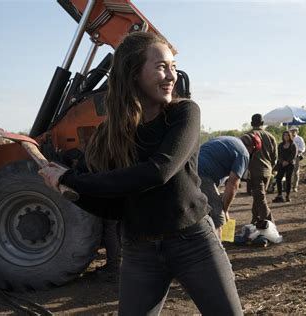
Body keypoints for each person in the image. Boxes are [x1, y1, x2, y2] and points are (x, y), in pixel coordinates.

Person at [38, 32, 242, 315]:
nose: (171, 75)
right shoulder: (110, 135)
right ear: (133, 74)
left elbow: (159, 171)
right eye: (161, 67)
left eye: (173, 66)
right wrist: (68, 190)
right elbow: (112, 207)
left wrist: (71, 179)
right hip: (140, 251)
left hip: (193, 243)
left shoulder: (184, 113)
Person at [198, 134, 260, 237]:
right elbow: (233, 185)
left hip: (189, 169)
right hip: (202, 175)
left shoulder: (226, 139)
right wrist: (225, 210)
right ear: (252, 148)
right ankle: (217, 249)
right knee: (218, 216)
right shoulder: (244, 153)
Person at [248, 114, 278, 224]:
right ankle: (254, 221)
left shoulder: (248, 136)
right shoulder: (271, 137)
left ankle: (271, 224)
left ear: (251, 123)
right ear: (262, 123)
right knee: (258, 197)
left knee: (260, 199)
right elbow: (275, 158)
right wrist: (269, 168)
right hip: (267, 172)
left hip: (255, 172)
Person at [272, 131, 297, 203]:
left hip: (290, 164)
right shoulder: (280, 145)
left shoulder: (293, 145)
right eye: (284, 135)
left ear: (290, 136)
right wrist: (282, 161)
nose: (286, 137)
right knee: (278, 178)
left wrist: (287, 161)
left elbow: (293, 155)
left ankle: (288, 196)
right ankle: (279, 195)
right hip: (281, 164)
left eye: (287, 135)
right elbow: (278, 155)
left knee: (288, 179)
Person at [289, 126, 306, 192]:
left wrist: (299, 152)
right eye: (292, 130)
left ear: (297, 131)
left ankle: (295, 187)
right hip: (288, 157)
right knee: (288, 172)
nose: (293, 132)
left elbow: (303, 147)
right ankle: (287, 186)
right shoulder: (288, 138)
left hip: (296, 157)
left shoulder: (299, 139)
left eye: (294, 130)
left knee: (296, 172)